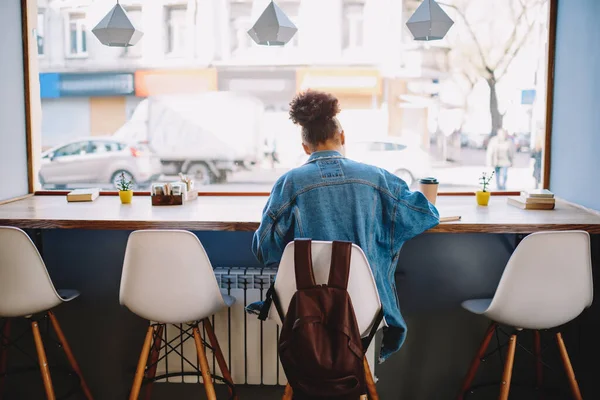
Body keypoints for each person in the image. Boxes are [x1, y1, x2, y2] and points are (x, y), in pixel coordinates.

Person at [246, 90, 439, 362]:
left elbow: (264, 249)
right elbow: (424, 215)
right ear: (343, 137)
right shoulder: (376, 177)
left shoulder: (290, 183)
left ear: (305, 147)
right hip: (366, 308)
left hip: (308, 309)